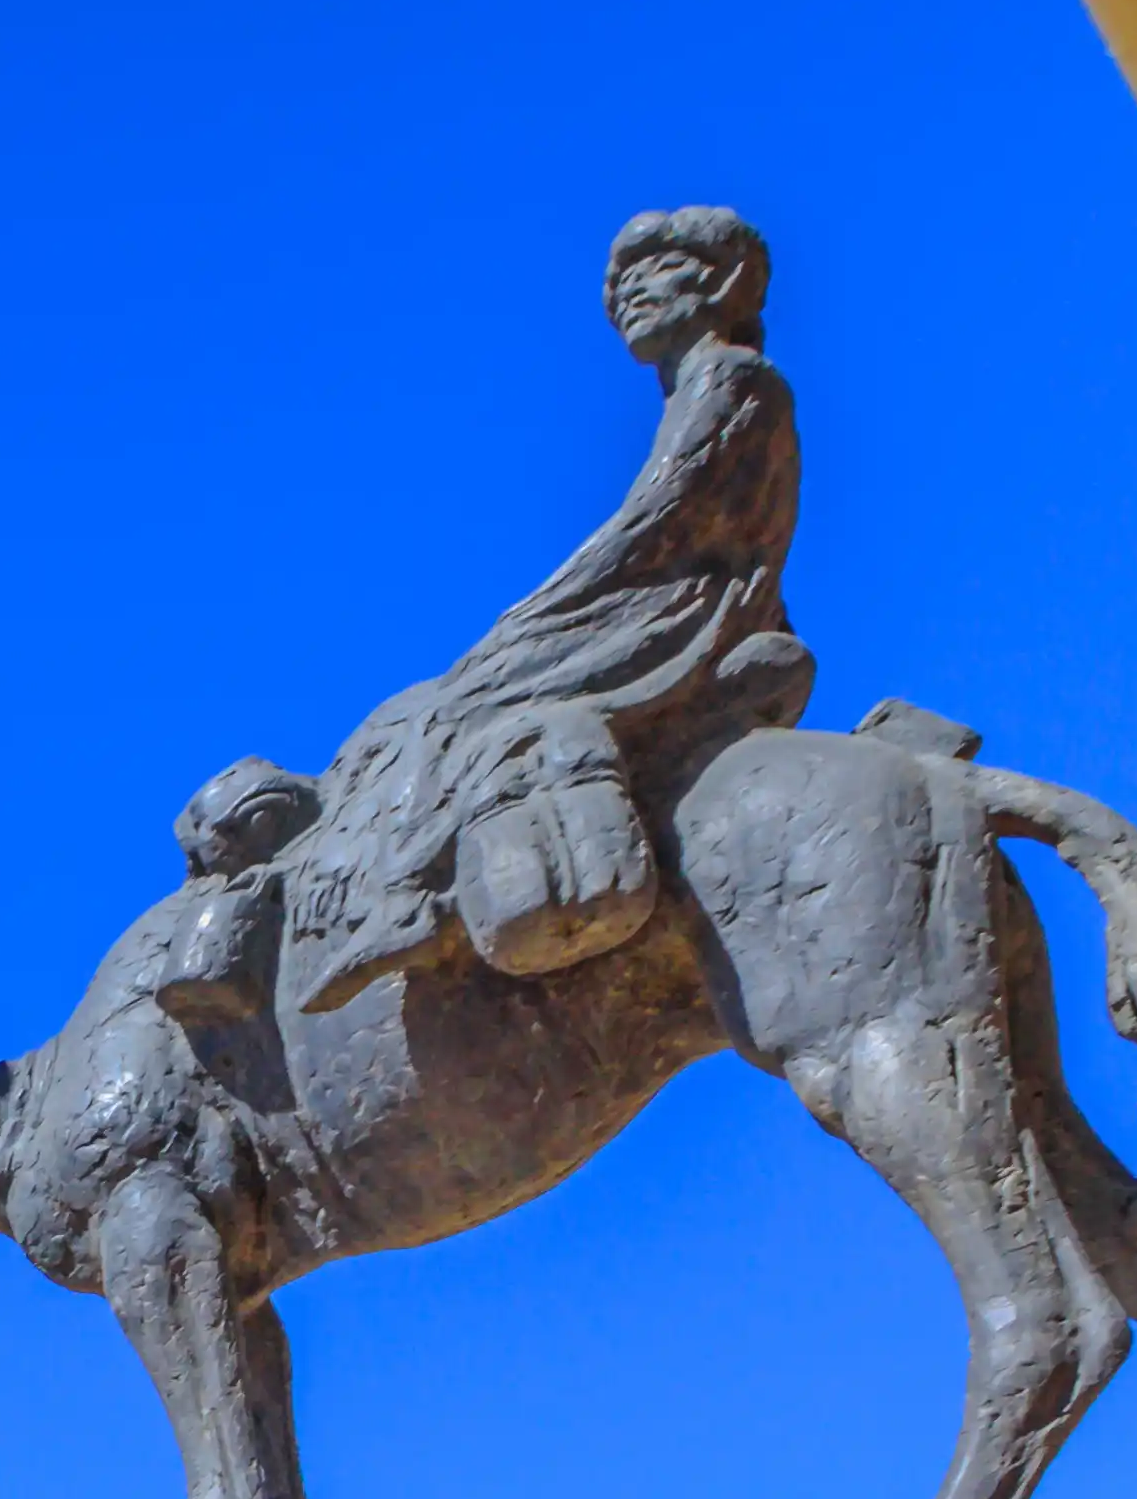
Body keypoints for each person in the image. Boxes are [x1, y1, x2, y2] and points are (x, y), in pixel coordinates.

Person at [289, 206, 810, 1007]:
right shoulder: (702, 389)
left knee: (464, 697)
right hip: (670, 595)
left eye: (655, 272)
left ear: (721, 282)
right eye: (619, 287)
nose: (631, 295)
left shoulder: (732, 380)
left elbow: (659, 517)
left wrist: (538, 610)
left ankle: (412, 895)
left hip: (682, 609)